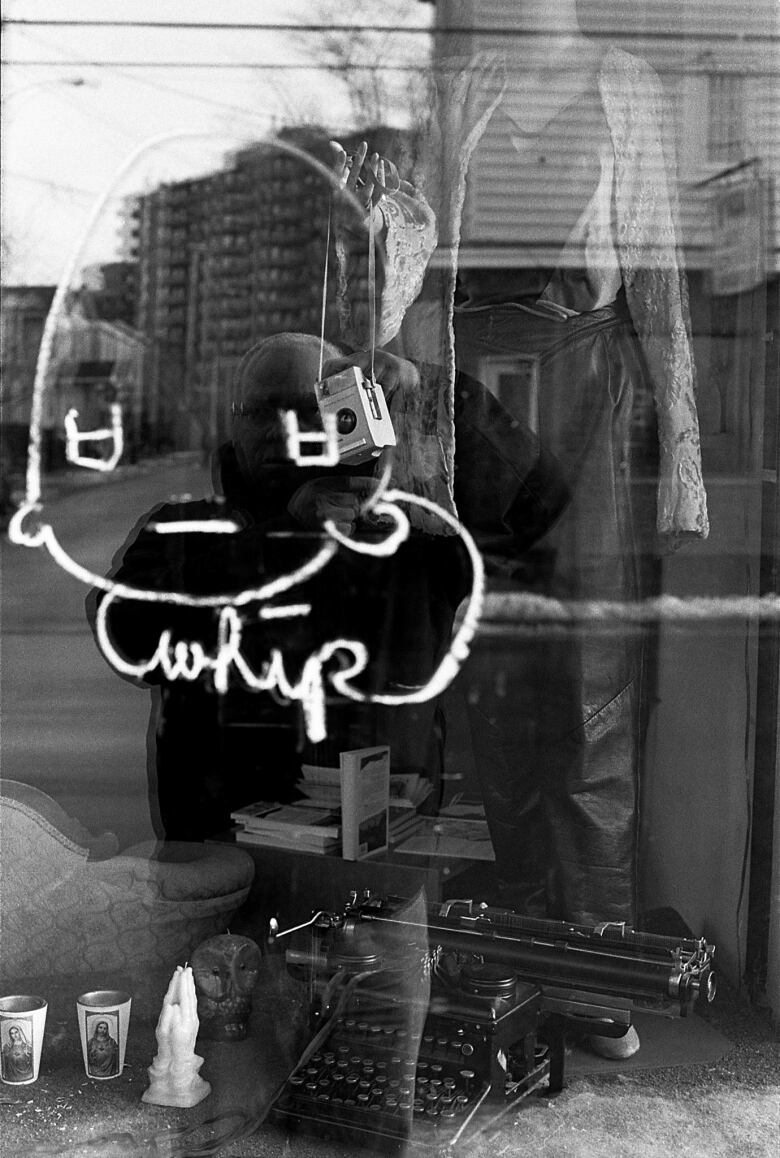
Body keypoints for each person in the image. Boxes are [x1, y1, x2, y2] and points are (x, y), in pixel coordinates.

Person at [330, 3, 710, 1058]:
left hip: (588, 391)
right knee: (493, 688)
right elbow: (420, 277)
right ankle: (518, 946)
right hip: (474, 408)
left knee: (593, 685)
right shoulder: (464, 85)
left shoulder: (624, 82)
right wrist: (385, 231)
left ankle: (593, 969)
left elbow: (662, 275)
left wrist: (679, 445)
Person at [88, 332, 566, 842]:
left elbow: (537, 503)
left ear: (350, 414)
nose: (280, 430)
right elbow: (125, 635)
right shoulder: (182, 530)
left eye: (305, 408)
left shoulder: (401, 532)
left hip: (383, 847)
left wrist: (429, 395)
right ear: (232, 420)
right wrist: (282, 541)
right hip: (223, 859)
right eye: (258, 411)